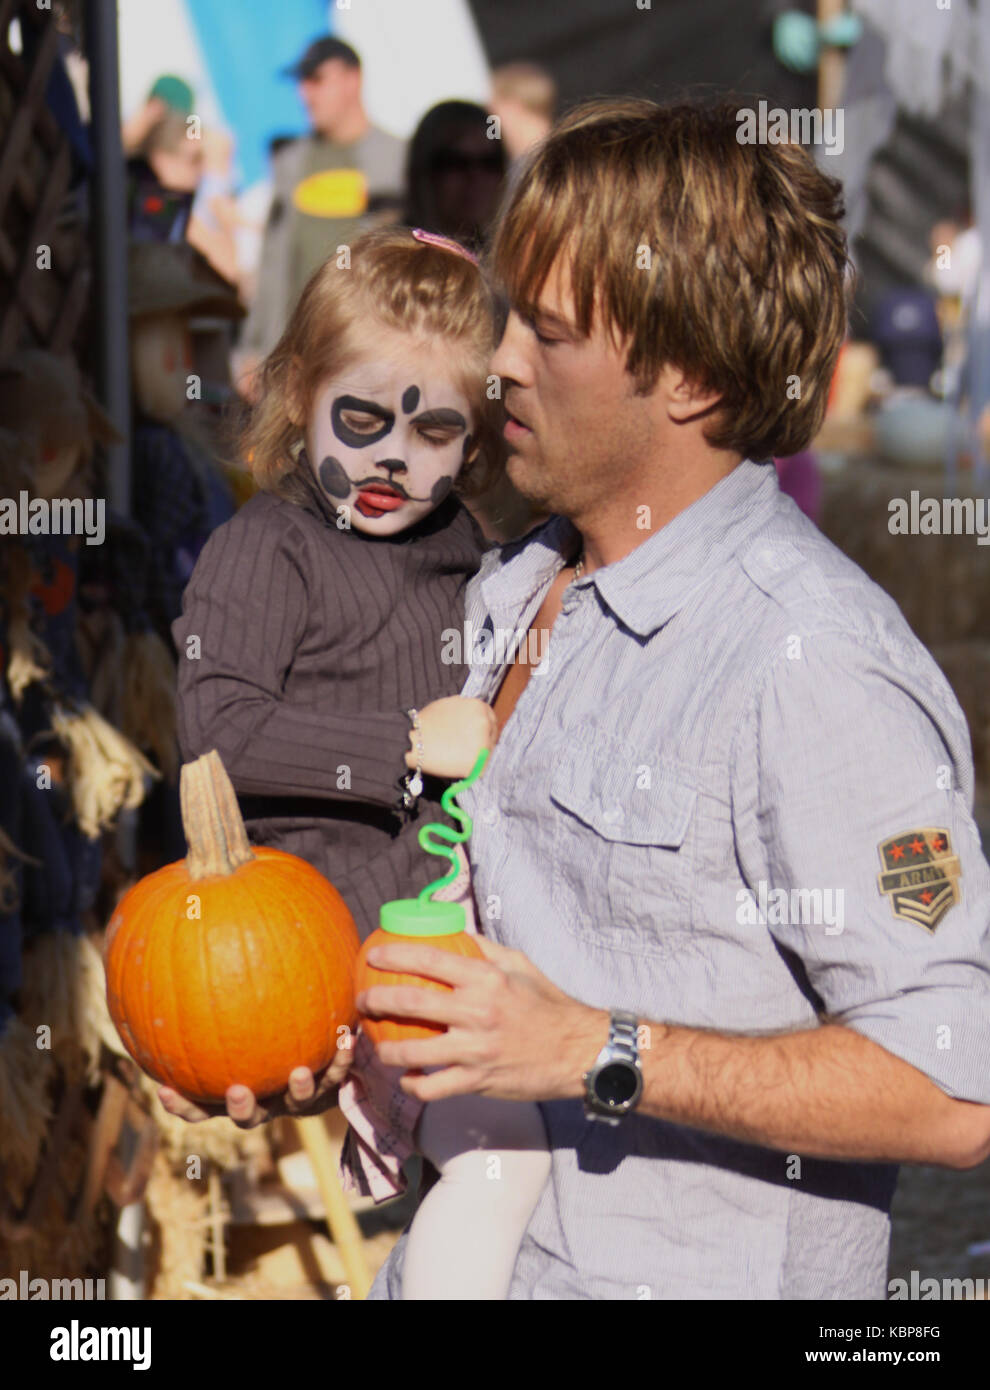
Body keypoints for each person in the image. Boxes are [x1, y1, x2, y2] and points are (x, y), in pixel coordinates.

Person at [354, 98, 990, 1300]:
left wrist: (596, 1050)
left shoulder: (810, 658)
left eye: (547, 331)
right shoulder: (517, 583)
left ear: (689, 376)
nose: (500, 363)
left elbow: (957, 1088)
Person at [165, 226, 551, 1300]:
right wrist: (398, 746)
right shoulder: (269, 548)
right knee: (498, 1154)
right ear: (297, 394)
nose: (394, 459)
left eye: (435, 430)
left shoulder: (466, 546)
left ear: (476, 439)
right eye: (365, 419)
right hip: (330, 936)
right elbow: (212, 732)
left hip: (446, 925)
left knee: (502, 1162)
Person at [236, 36, 406, 397]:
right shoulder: (291, 162)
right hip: (294, 360)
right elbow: (272, 264)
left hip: (372, 355)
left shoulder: (397, 160)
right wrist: (254, 349)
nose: (304, 94)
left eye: (316, 80)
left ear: (352, 79)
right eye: (301, 82)